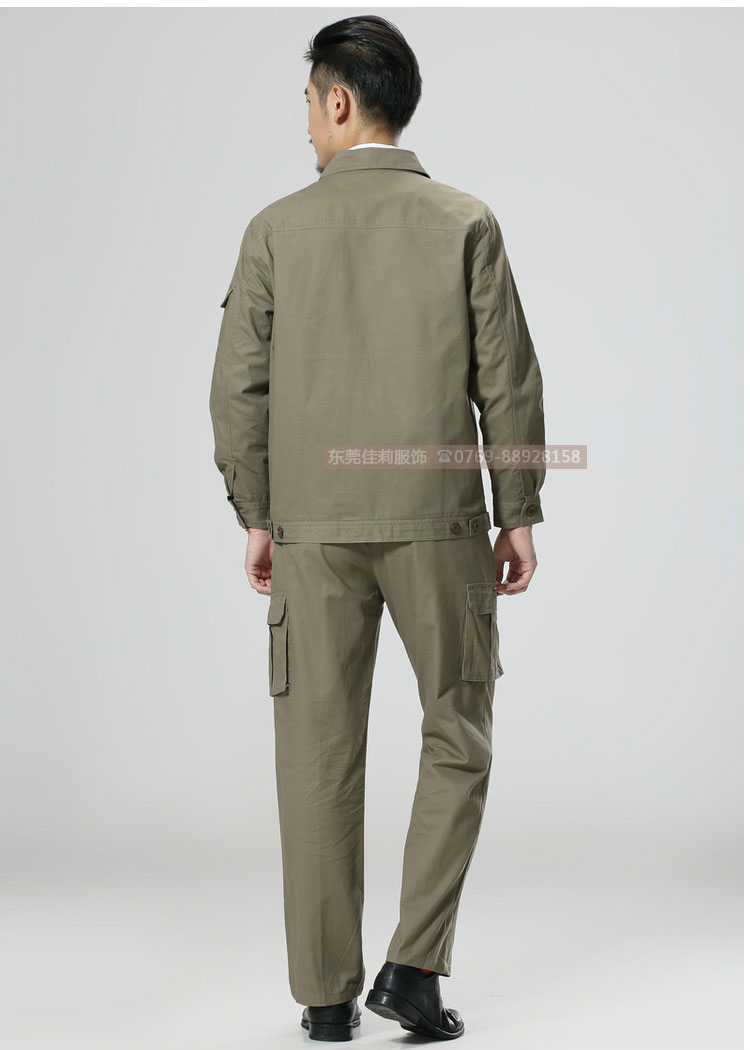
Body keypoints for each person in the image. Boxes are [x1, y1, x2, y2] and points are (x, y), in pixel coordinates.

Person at [209, 13, 546, 1043]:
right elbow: (509, 381)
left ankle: (324, 997)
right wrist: (517, 511)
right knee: (459, 729)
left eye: (309, 105)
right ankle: (412, 969)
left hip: (311, 530)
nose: (307, 125)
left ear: (341, 100)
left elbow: (239, 391)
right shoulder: (466, 221)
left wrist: (259, 513)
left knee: (315, 754)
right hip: (441, 521)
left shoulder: (276, 229)